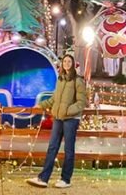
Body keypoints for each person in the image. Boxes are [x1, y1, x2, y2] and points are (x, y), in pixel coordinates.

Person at [26, 53, 86, 189]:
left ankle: (66, 179)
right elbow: (54, 99)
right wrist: (42, 104)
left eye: (69, 61)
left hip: (71, 119)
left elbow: (82, 103)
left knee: (69, 150)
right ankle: (43, 178)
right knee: (52, 147)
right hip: (58, 118)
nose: (66, 64)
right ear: (62, 64)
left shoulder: (78, 81)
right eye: (65, 61)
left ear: (73, 63)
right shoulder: (60, 80)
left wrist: (67, 111)